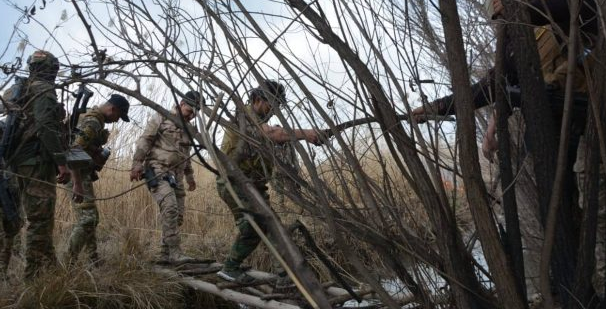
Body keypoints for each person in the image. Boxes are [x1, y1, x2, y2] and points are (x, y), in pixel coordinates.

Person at [411, 0, 602, 299]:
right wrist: (436, 108)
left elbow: (586, 11)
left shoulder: (563, 10)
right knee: (560, 206)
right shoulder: (516, 39)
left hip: (591, 116)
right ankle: (575, 288)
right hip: (554, 129)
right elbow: (493, 84)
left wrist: (526, 6)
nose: (500, 16)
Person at [215, 80, 323, 286]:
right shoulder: (244, 115)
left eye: (278, 106)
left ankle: (283, 277)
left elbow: (276, 139)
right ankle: (230, 269)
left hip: (254, 186)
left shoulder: (261, 119)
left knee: (274, 228)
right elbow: (272, 134)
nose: (274, 110)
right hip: (235, 183)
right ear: (257, 100)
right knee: (253, 226)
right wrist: (307, 134)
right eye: (271, 105)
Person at [6, 50, 76, 280]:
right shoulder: (43, 90)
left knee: (30, 217)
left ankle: (49, 267)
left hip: (15, 162)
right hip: (36, 162)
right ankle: (34, 277)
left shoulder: (15, 91)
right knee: (40, 219)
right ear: (51, 70)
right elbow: (46, 126)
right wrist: (61, 162)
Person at [130, 90, 201, 265]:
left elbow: (186, 153)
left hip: (176, 176)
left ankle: (164, 254)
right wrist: (137, 163)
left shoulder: (190, 128)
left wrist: (190, 177)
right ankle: (176, 253)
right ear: (181, 104)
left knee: (177, 216)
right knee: (169, 207)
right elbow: (145, 139)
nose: (191, 116)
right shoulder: (161, 117)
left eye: (194, 114)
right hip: (158, 170)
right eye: (189, 111)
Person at [66, 94, 130, 265]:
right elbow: (73, 149)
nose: (117, 121)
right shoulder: (93, 122)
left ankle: (93, 258)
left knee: (90, 217)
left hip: (81, 173)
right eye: (118, 116)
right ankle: (68, 262)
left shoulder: (91, 117)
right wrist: (77, 184)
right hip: (77, 175)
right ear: (112, 109)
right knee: (88, 218)